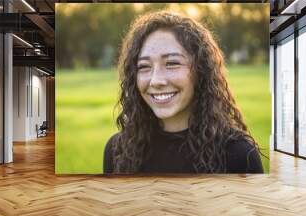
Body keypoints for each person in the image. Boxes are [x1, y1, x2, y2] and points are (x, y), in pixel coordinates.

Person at [103, 10, 264, 174]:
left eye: (172, 63)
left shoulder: (238, 154)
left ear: (201, 71)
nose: (156, 80)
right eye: (144, 66)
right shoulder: (118, 151)